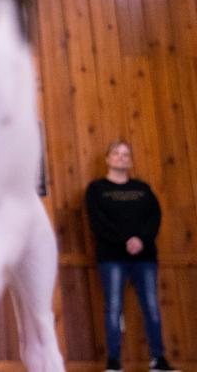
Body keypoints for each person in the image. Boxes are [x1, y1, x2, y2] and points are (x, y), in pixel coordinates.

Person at [85, 141, 181, 372]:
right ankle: (114, 362)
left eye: (126, 154)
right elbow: (98, 222)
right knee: (114, 307)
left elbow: (154, 217)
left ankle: (158, 360)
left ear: (131, 160)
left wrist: (141, 240)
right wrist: (124, 241)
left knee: (151, 306)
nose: (121, 157)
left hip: (145, 257)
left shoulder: (143, 189)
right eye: (116, 154)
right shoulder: (97, 189)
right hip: (112, 257)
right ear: (107, 159)